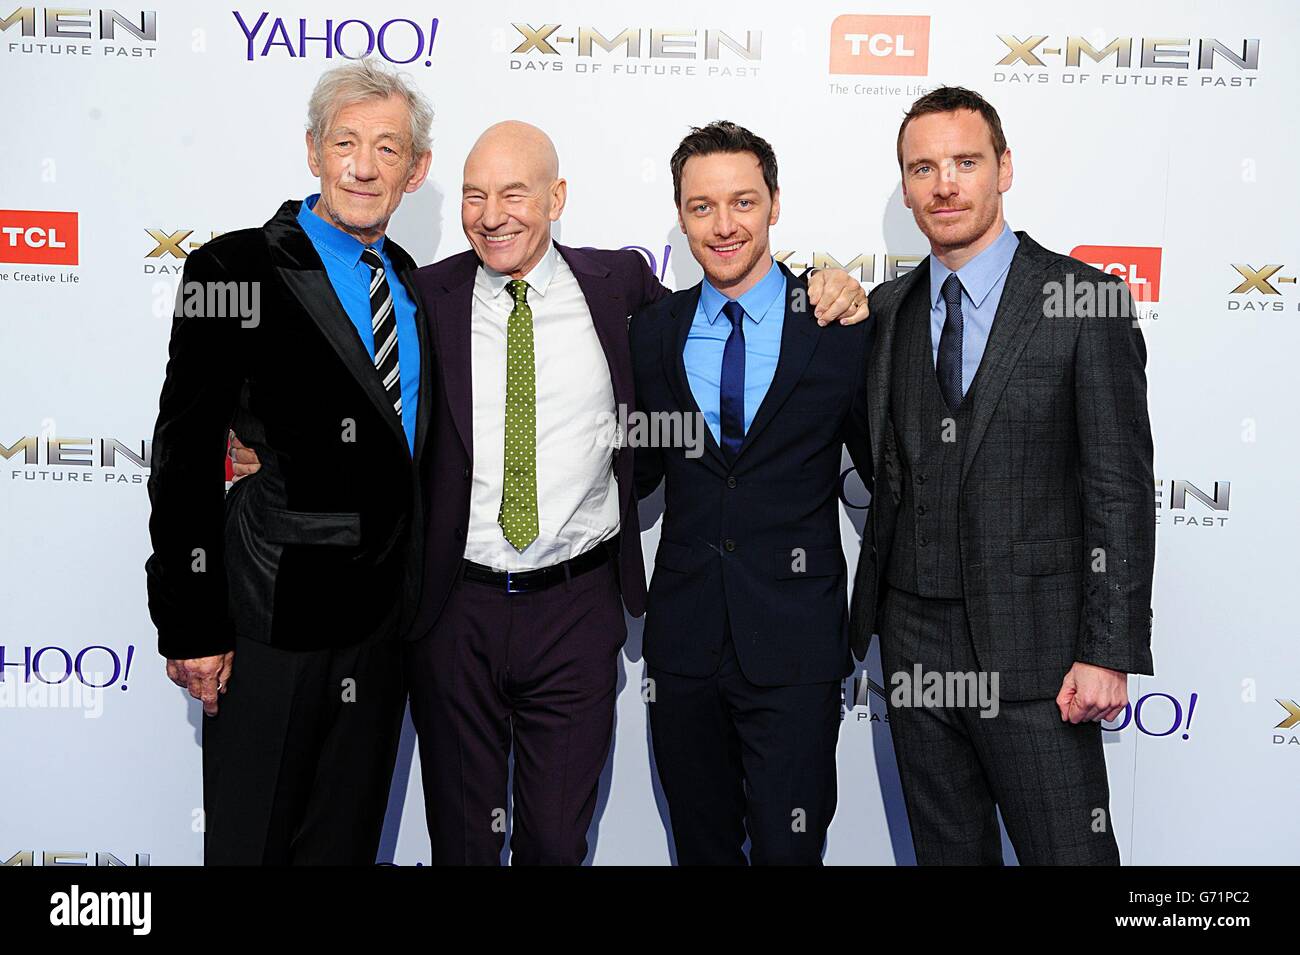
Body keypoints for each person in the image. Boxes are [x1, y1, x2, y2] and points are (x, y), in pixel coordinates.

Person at [235, 120, 870, 864]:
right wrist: (274, 447)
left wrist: (831, 276)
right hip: (454, 612)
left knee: (557, 841)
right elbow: (349, 378)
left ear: (556, 197)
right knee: (464, 842)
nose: (492, 213)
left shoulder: (622, 292)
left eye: (514, 192)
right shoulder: (423, 295)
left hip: (578, 609)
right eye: (474, 195)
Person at [848, 86, 1156, 864]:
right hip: (913, 646)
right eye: (923, 168)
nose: (944, 184)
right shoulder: (885, 311)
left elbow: (1118, 486)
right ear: (908, 187)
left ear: (1004, 169)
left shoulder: (1082, 301)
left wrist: (1107, 648)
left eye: (964, 162)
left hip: (1041, 656)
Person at [145, 58, 434, 864]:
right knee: (252, 845)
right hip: (271, 620)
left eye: (388, 146)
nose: (364, 165)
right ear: (313, 151)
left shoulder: (411, 284)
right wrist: (192, 619)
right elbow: (183, 453)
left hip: (382, 635)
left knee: (342, 848)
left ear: (417, 168)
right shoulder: (232, 268)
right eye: (346, 142)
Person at [630, 122, 872, 864]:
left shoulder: (839, 324)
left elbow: (894, 477)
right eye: (702, 207)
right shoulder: (651, 332)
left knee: (789, 850)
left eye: (742, 202)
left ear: (774, 204)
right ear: (680, 215)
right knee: (700, 848)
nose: (724, 224)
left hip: (796, 648)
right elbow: (627, 469)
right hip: (683, 647)